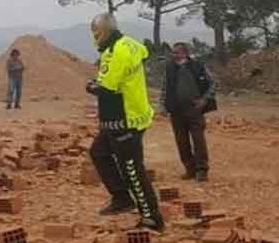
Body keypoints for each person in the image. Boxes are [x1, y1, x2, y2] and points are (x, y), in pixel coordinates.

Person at [85, 13, 165, 232]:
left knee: (132, 170)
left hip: (125, 120)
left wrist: (91, 86)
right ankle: (121, 198)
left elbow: (107, 88)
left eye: (96, 32)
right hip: (119, 119)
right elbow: (137, 61)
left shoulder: (116, 52)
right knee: (99, 153)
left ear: (104, 31)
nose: (94, 37)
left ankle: (152, 218)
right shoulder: (129, 44)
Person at [160, 42, 215, 182]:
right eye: (173, 53)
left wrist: (204, 100)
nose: (174, 55)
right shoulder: (169, 68)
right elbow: (164, 88)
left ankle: (202, 170)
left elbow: (212, 83)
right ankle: (189, 169)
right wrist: (162, 106)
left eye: (177, 52)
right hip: (176, 111)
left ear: (185, 53)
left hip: (194, 110)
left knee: (198, 141)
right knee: (181, 142)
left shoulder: (198, 66)